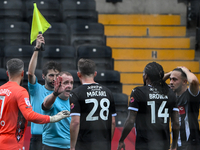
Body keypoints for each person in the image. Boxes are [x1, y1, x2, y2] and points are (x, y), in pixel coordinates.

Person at [0, 58, 70, 150]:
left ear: (7, 73)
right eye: (51, 75)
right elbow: (29, 115)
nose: (54, 78)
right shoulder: (21, 91)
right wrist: (52, 118)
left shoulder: (1, 89)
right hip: (13, 142)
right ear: (22, 73)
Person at [117, 62, 180, 150]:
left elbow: (131, 120)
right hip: (163, 144)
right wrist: (174, 145)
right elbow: (176, 123)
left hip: (144, 144)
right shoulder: (170, 93)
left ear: (146, 76)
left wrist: (121, 140)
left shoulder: (138, 92)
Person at [69, 58, 117, 150]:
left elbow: (75, 122)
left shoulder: (76, 93)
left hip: (84, 145)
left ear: (78, 74)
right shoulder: (107, 92)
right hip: (103, 144)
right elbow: (113, 122)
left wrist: (72, 147)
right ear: (95, 73)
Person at [28, 34, 62, 150]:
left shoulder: (63, 94)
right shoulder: (36, 89)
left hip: (55, 138)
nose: (54, 78)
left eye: (57, 75)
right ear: (43, 76)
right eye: (51, 75)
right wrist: (37, 49)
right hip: (38, 138)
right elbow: (30, 74)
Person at [164, 66, 200, 150]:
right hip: (177, 146)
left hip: (192, 145)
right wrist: (172, 72)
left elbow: (194, 81)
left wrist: (185, 71)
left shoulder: (190, 95)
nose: (171, 82)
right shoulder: (171, 96)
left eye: (175, 79)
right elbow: (157, 83)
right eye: (170, 79)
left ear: (184, 81)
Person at [41, 72, 74, 150]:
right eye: (66, 83)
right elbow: (46, 104)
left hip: (70, 147)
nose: (69, 86)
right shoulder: (51, 98)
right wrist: (55, 94)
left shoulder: (75, 100)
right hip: (51, 146)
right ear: (57, 84)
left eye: (71, 83)